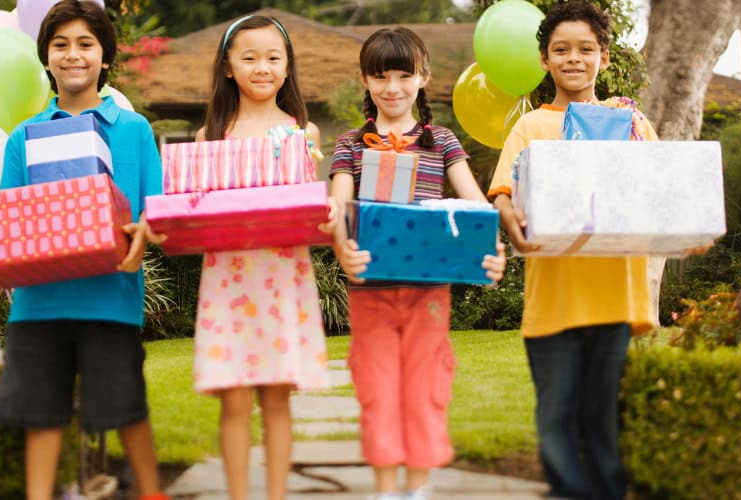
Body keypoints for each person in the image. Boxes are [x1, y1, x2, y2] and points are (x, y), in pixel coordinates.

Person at [0, 1, 168, 499]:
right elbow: (6, 221)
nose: (73, 55)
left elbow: (159, 211)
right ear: (46, 58)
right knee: (41, 415)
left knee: (126, 408)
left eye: (86, 44)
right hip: (38, 306)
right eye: (60, 45)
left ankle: (153, 493)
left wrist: (143, 235)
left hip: (110, 298)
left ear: (105, 57)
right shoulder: (23, 138)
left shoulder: (134, 131)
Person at [487, 2, 667, 498]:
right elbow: (503, 194)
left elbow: (661, 191)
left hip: (614, 296)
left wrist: (682, 232)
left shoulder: (629, 122)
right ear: (544, 60)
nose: (573, 59)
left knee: (603, 416)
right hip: (554, 299)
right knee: (557, 415)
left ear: (604, 58)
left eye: (586, 49)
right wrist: (509, 216)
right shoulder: (530, 127)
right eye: (560, 50)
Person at [329, 27, 506, 500]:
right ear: (365, 81)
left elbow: (476, 207)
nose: (392, 87)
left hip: (429, 294)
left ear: (423, 77)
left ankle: (419, 489)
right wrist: (343, 247)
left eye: (403, 75)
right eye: (380, 76)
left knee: (426, 386)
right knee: (377, 388)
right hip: (370, 293)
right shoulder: (350, 144)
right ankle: (387, 490)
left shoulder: (442, 142)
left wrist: (493, 251)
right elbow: (337, 211)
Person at [192, 14, 335, 500]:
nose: (262, 67)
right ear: (228, 66)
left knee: (277, 400)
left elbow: (314, 209)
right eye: (248, 57)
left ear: (288, 66)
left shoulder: (302, 133)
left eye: (273, 58)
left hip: (281, 279)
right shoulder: (209, 136)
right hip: (228, 281)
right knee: (232, 401)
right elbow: (195, 211)